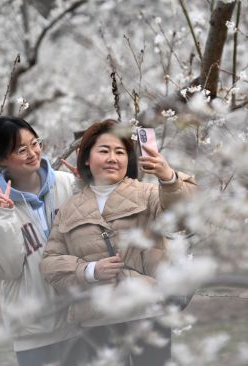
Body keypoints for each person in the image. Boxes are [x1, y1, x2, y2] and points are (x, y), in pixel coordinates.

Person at [40, 119, 197, 365]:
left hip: (148, 309)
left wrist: (169, 178)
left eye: (120, 152)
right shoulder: (70, 209)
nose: (113, 158)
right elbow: (50, 263)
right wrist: (91, 270)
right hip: (97, 317)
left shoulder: (149, 194)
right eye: (104, 151)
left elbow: (185, 219)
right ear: (87, 159)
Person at [0, 116, 86, 366]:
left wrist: (85, 190)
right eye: (21, 150)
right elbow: (4, 268)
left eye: (35, 143)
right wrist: (3, 218)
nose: (33, 153)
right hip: (34, 330)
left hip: (78, 318)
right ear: (2, 160)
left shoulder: (67, 184)